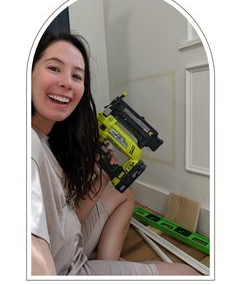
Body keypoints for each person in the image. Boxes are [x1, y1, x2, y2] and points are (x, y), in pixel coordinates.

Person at [31, 31, 199, 276]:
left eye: (77, 75)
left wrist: (104, 177)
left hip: (69, 242)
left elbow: (65, 215)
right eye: (54, 68)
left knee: (125, 195)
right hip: (65, 269)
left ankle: (108, 262)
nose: (67, 82)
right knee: (189, 274)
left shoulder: (48, 137)